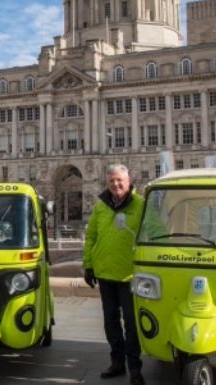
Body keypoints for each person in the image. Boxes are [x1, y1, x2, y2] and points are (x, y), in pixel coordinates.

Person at [83, 164, 145, 385]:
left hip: (130, 276)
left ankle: (135, 368)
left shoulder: (141, 204)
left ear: (128, 181)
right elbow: (91, 236)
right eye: (111, 181)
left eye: (119, 180)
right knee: (111, 322)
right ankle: (117, 362)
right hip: (105, 273)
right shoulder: (100, 205)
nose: (116, 185)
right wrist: (88, 265)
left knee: (131, 323)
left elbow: (154, 232)